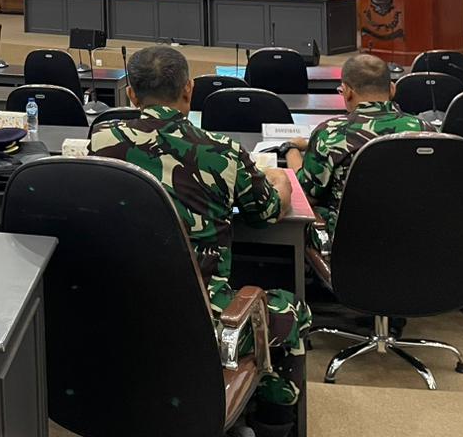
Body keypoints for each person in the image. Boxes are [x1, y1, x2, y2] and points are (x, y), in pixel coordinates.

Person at [89, 45, 309, 437]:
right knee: (290, 311)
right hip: (202, 318)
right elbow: (265, 213)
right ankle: (273, 424)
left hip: (117, 311)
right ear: (189, 90)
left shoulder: (101, 142)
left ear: (131, 95)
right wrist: (278, 181)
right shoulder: (221, 152)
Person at [285, 53, 430, 251]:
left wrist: (291, 149)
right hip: (420, 242)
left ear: (347, 92)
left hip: (350, 248)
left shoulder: (330, 133)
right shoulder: (426, 130)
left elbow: (307, 194)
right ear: (392, 89)